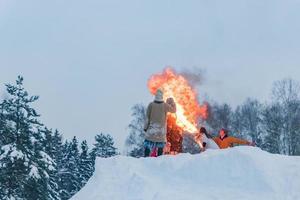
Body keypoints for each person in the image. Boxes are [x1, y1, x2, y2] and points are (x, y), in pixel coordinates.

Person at [143, 89, 176, 157]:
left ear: (155, 96)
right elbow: (174, 110)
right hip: (161, 131)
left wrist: (145, 128)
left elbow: (147, 118)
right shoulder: (165, 105)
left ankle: (146, 158)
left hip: (151, 130)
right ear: (162, 96)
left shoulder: (151, 105)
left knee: (148, 145)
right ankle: (159, 159)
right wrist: (172, 102)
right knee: (160, 146)